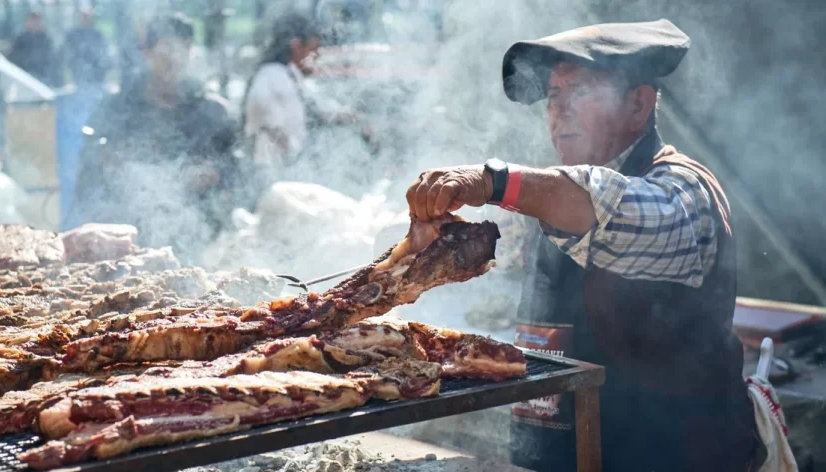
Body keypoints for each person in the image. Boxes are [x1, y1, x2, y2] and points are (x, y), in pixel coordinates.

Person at [405, 20, 761, 472]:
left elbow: (608, 204)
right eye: (553, 95)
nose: (560, 110)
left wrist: (493, 181)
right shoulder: (553, 196)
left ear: (638, 104)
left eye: (580, 91)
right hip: (554, 451)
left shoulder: (682, 191)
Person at [70, 13, 239, 265]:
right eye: (167, 47)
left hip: (200, 241)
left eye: (184, 48)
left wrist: (216, 173)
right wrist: (111, 164)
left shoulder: (213, 111)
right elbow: (87, 177)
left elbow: (237, 169)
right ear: (147, 51)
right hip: (127, 243)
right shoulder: (116, 109)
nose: (175, 57)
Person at [242, 11, 377, 199]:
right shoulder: (271, 75)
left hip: (288, 172)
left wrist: (357, 119)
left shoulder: (292, 77)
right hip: (271, 174)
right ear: (296, 46)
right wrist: (289, 151)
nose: (317, 57)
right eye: (313, 51)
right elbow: (265, 119)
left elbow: (321, 107)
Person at [61, 8, 111, 89]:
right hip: (78, 71)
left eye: (87, 17)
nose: (85, 19)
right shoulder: (72, 34)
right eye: (83, 17)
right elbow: (68, 52)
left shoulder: (97, 34)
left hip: (95, 73)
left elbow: (102, 51)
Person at [7, 12, 60, 86]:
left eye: (36, 21)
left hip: (43, 77)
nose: (34, 23)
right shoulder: (19, 39)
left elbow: (52, 60)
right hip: (24, 77)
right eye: (32, 21)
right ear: (26, 22)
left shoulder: (46, 39)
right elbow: (12, 58)